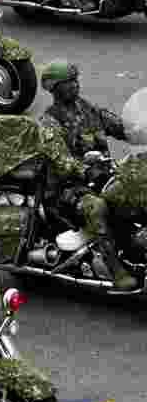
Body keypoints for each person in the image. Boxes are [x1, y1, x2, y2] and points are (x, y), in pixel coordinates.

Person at [37, 63, 137, 290]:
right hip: (67, 189)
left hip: (101, 178)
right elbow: (60, 161)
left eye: (76, 80)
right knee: (97, 207)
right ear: (55, 88)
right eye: (68, 82)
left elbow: (120, 126)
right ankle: (116, 270)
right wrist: (84, 168)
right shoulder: (49, 122)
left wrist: (139, 130)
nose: (75, 85)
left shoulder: (87, 110)